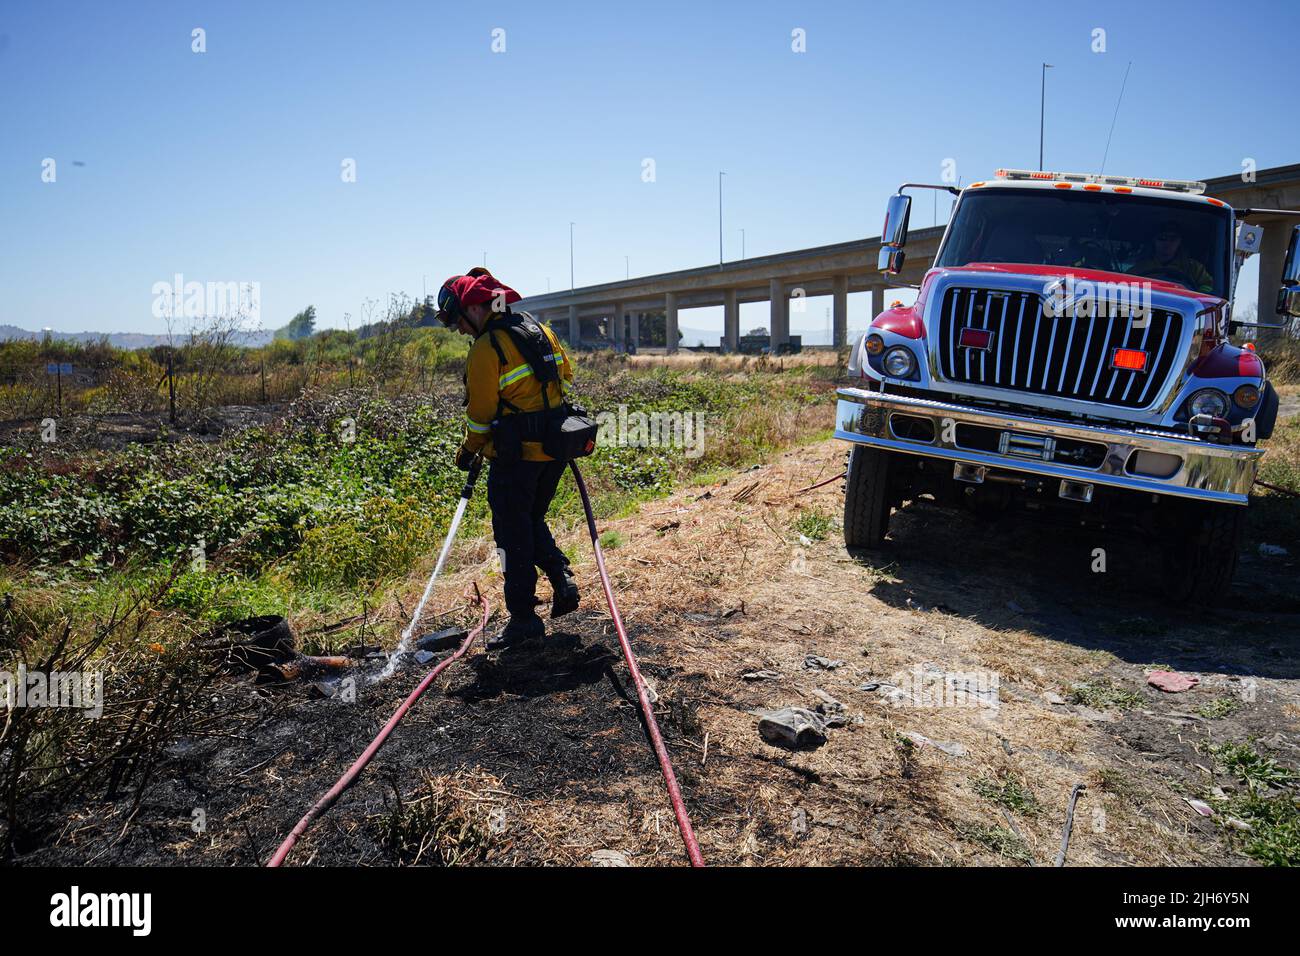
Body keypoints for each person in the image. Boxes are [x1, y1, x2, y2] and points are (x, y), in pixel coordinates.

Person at [434, 269, 580, 650]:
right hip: (554, 449)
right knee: (530, 519)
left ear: (474, 309)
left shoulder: (487, 347)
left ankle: (523, 620)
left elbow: (480, 412)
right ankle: (561, 576)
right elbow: (566, 373)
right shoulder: (538, 329)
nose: (461, 331)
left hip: (516, 458)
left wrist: (469, 450)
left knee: (511, 535)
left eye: (459, 323)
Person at [1128, 220, 1214, 293]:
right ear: (1154, 241)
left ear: (1180, 241)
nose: (1167, 243)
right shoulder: (1140, 268)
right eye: (1162, 238)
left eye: (1173, 239)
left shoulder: (1194, 268)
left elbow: (1209, 288)